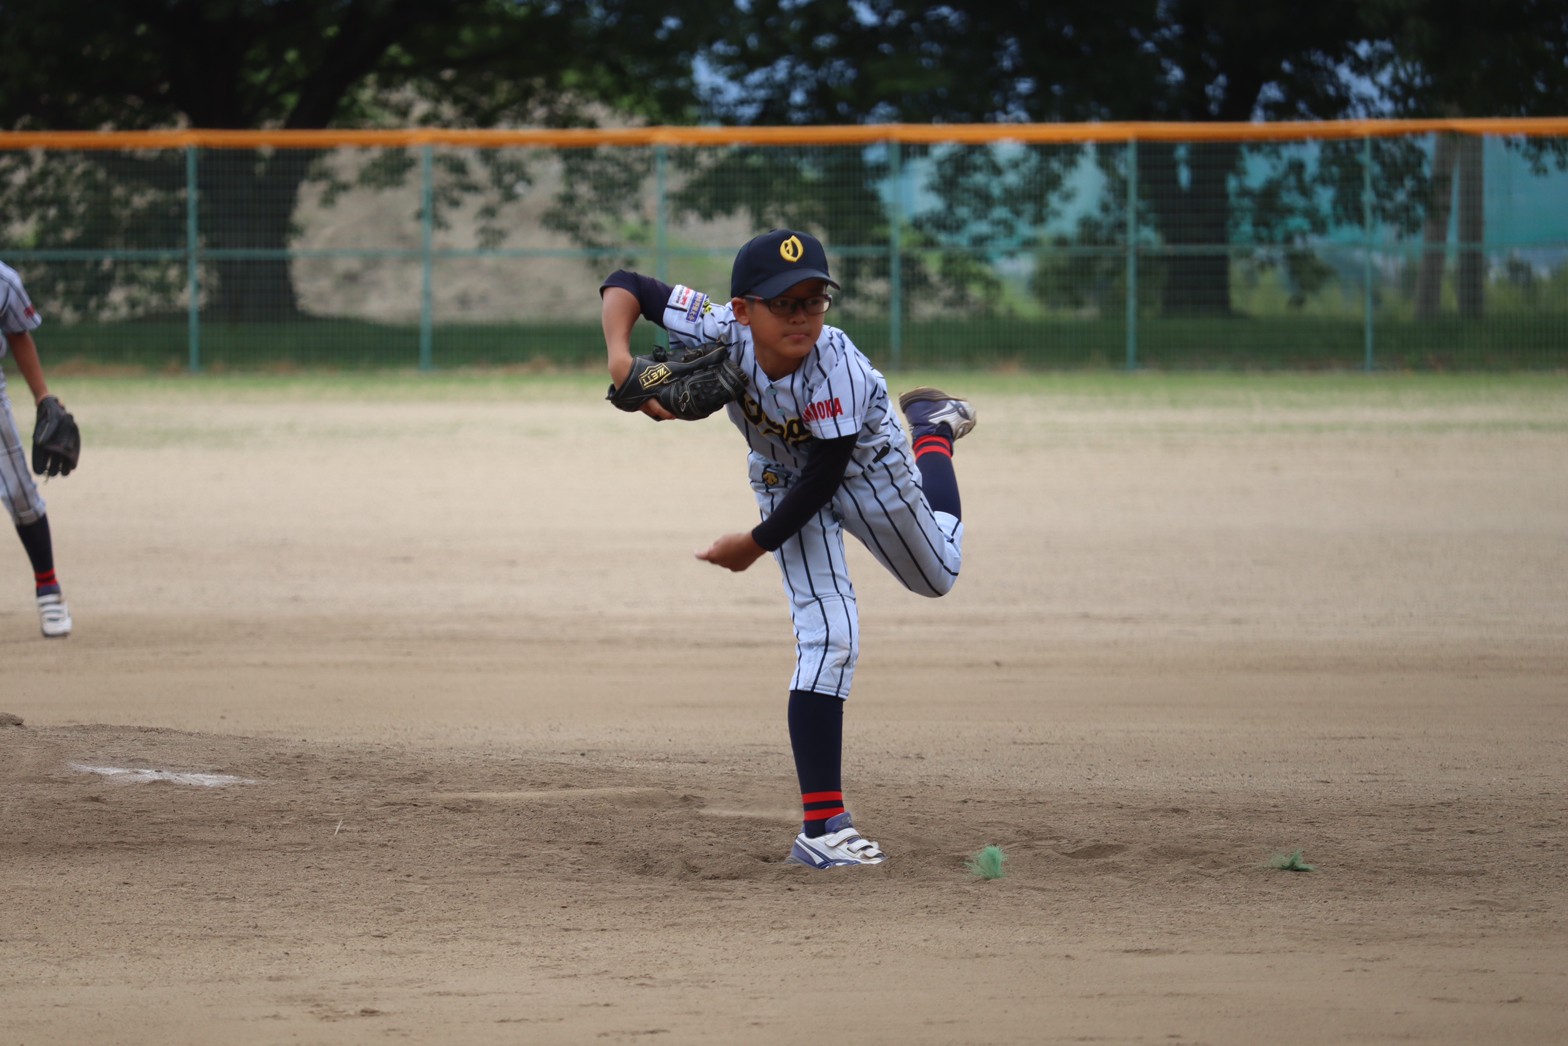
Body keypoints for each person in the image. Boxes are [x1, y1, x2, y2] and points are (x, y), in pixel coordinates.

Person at [600, 229, 976, 869]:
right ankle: (824, 828)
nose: (801, 315)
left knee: (939, 574)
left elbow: (825, 476)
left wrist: (753, 544)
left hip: (866, 468)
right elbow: (626, 285)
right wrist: (620, 362)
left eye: (814, 300)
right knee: (829, 635)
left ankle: (932, 432)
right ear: (743, 310)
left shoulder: (839, 366)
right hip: (777, 475)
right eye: (784, 303)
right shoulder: (720, 325)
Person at [1, 260, 74, 638]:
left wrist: (42, 396)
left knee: (20, 495)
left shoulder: (3, 281)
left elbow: (18, 336)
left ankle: (48, 590)